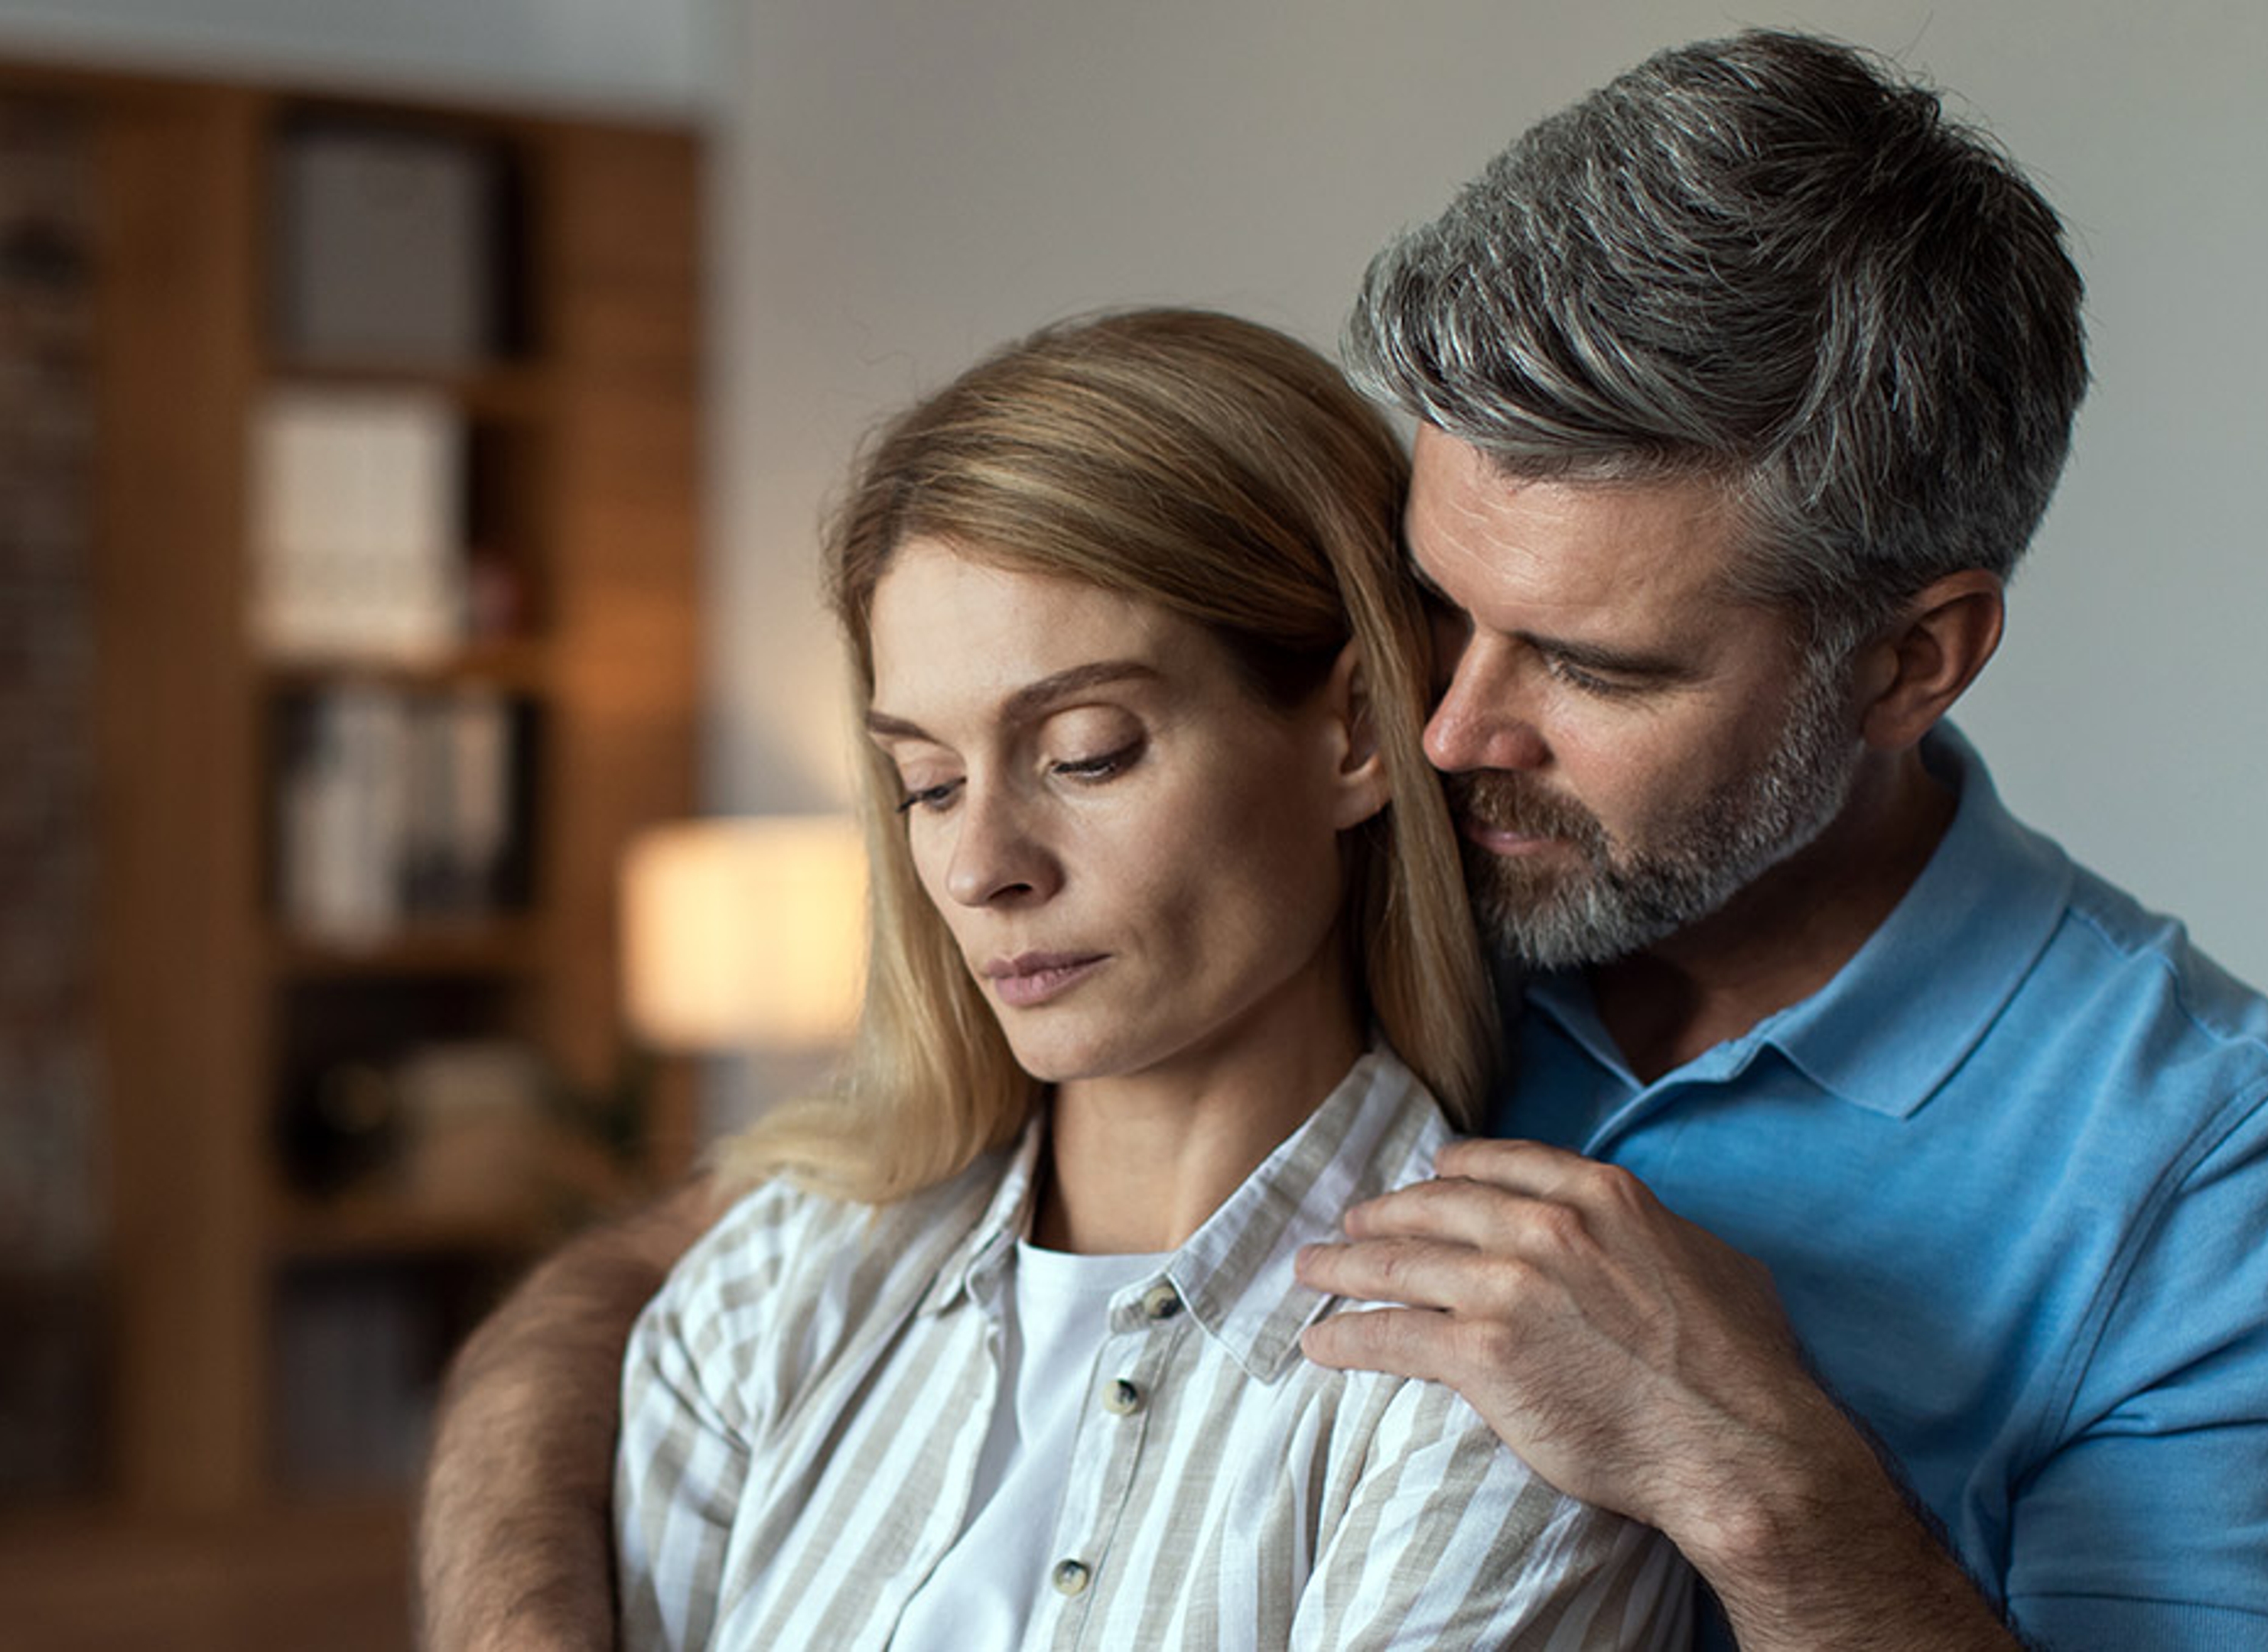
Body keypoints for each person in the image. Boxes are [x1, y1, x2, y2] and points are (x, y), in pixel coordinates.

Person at [420, 31, 2268, 1652]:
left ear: (1914, 658)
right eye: (1440, 608)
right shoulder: (1332, 870)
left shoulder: (2198, 1168)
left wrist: (1761, 1482)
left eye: (1600, 668)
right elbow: (667, 1283)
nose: (1458, 728)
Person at [610, 309, 1689, 1650]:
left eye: (1087, 753)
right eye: (928, 784)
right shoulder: (767, 1292)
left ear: (1354, 730)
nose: (981, 865)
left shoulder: (1496, 1374)